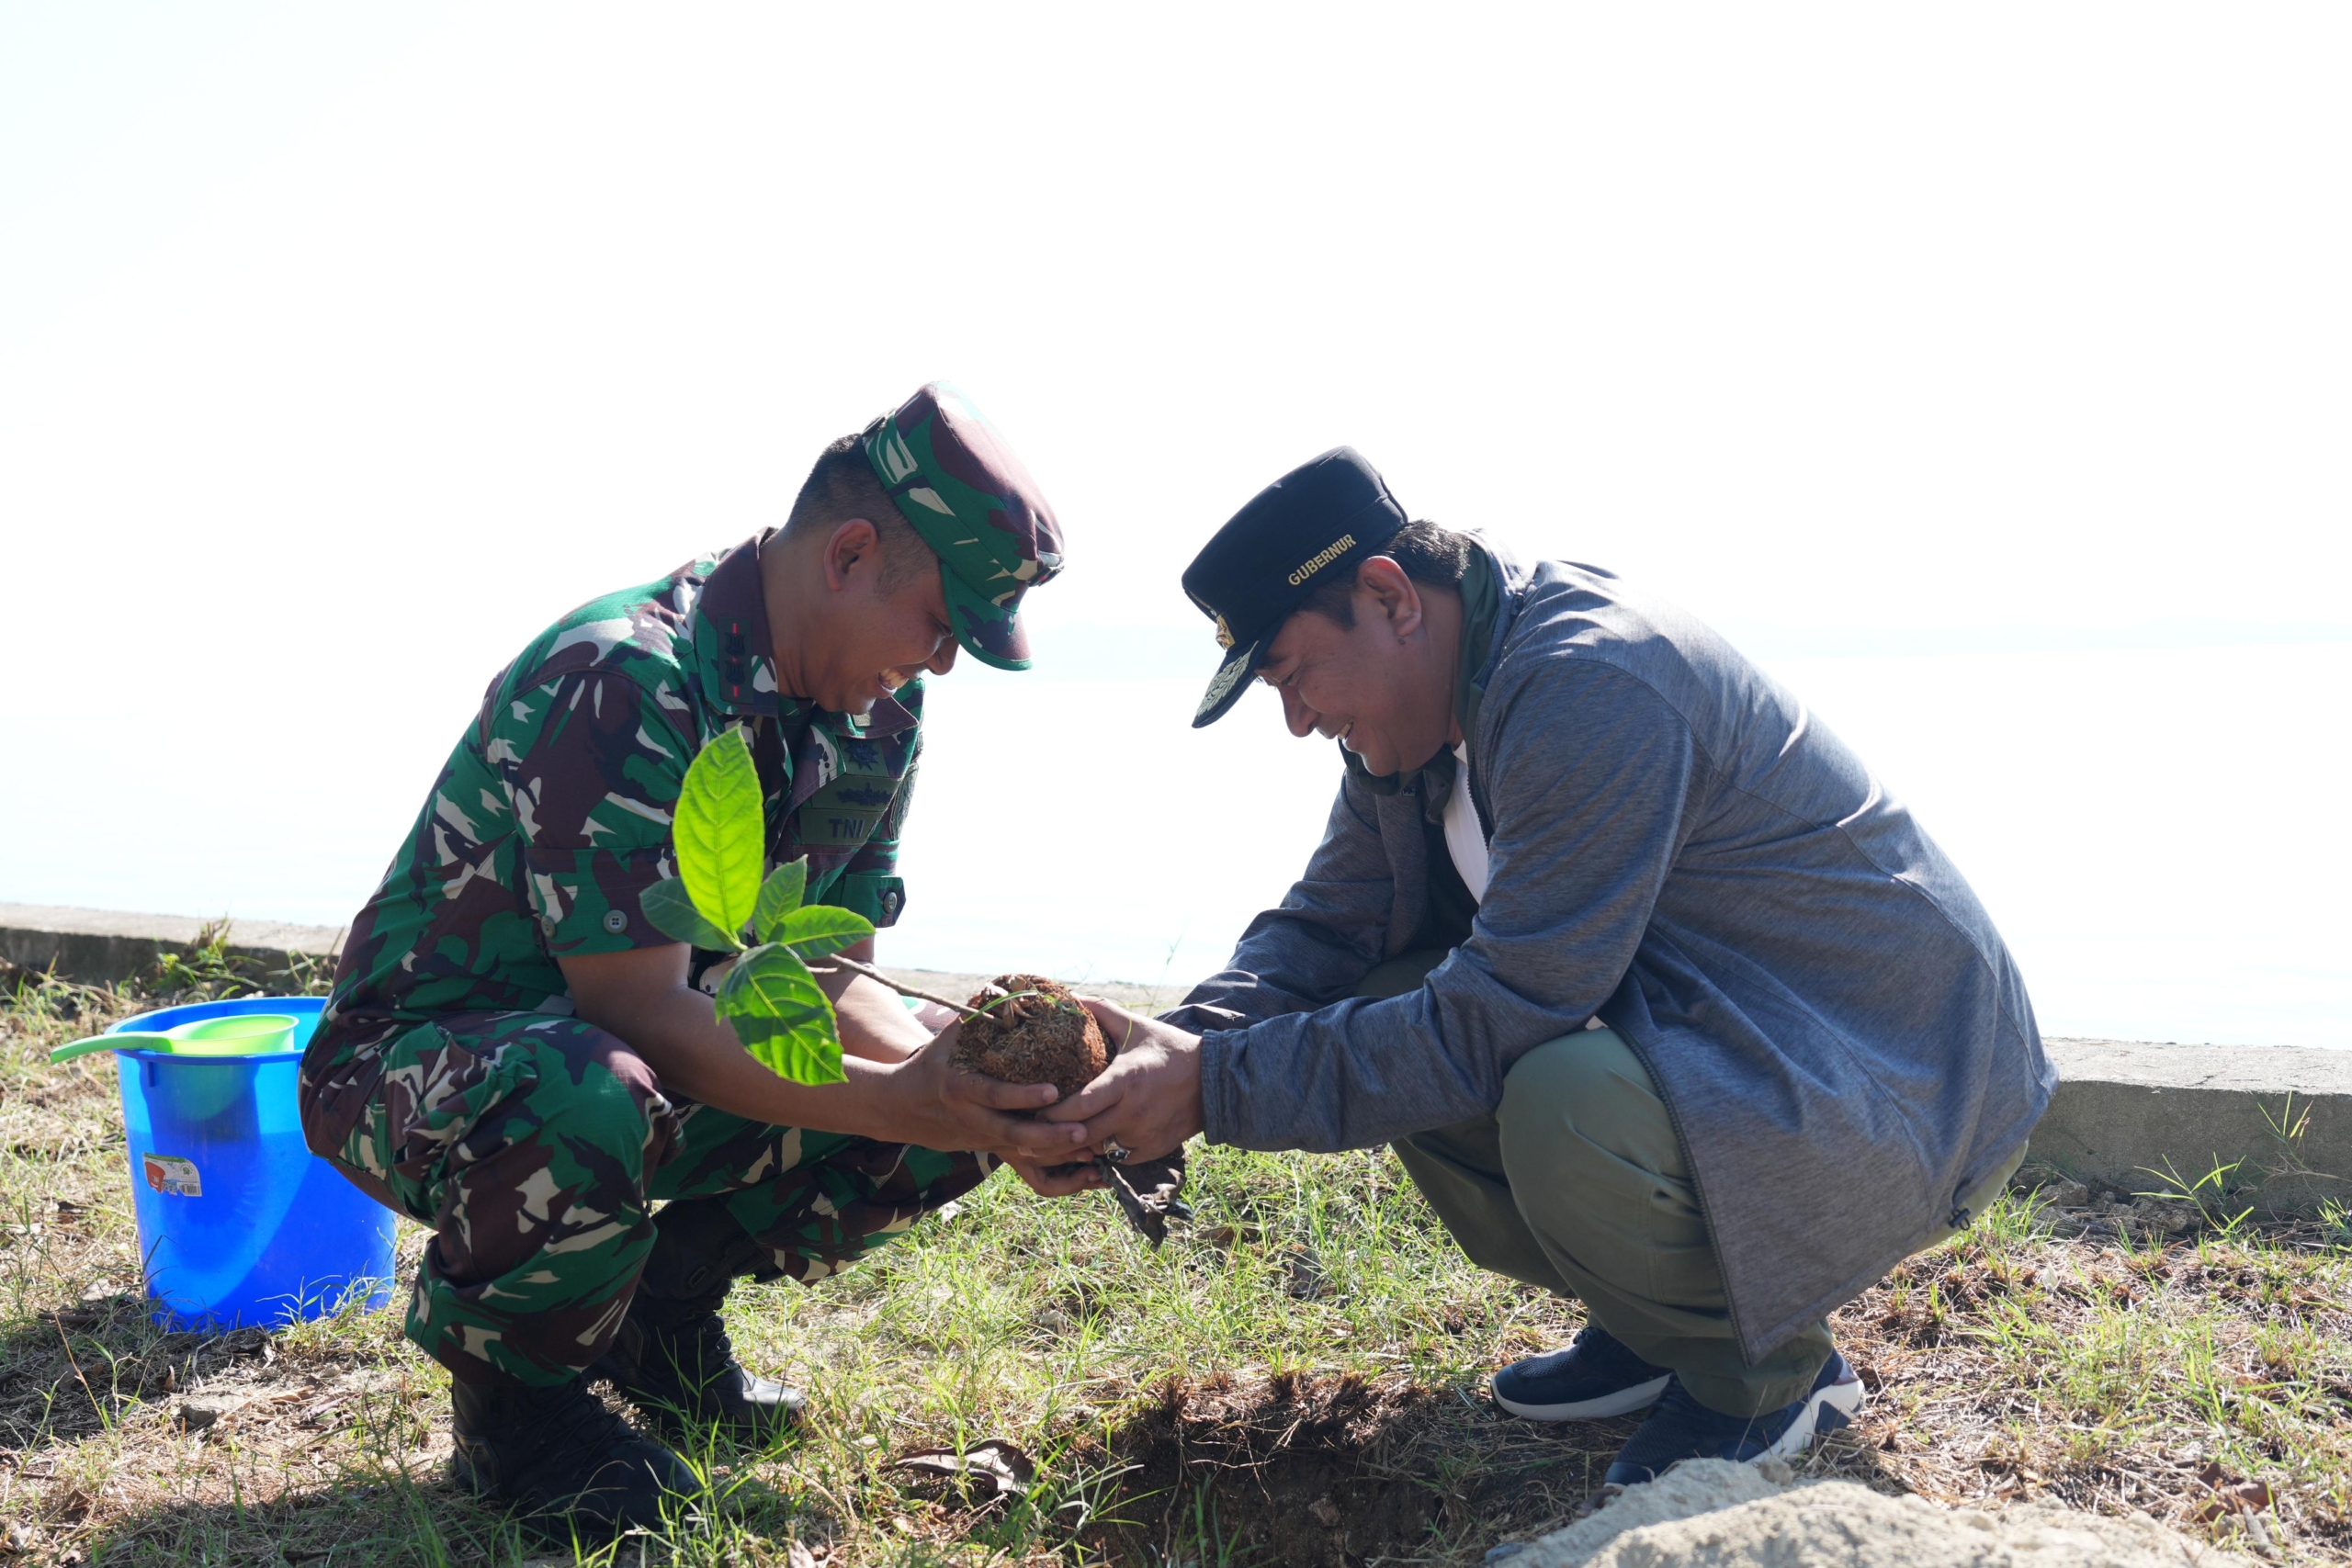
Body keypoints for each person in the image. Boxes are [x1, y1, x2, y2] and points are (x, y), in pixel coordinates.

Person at [1050, 446, 2053, 1485]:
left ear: (1389, 597)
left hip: (1903, 1087)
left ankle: (1761, 1374)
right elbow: (1327, 929)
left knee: (1556, 1091)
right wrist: (1175, 1047)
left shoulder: (1587, 684)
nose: (1296, 719)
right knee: (1387, 998)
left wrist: (1208, 1092)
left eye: (1291, 674)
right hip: (1741, 1051)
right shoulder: (1429, 710)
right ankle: (1653, 1324)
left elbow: (1505, 1012)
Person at [299, 383, 1096, 1536]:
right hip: (431, 1071)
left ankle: (661, 1311)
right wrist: (896, 1102)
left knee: (972, 1078)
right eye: (938, 620)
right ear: (853, 553)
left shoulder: (877, 715)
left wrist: (960, 1084)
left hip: (638, 1055)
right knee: (590, 1090)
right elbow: (641, 1012)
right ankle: (516, 1407)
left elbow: (831, 975)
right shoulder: (627, 678)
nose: (942, 663)